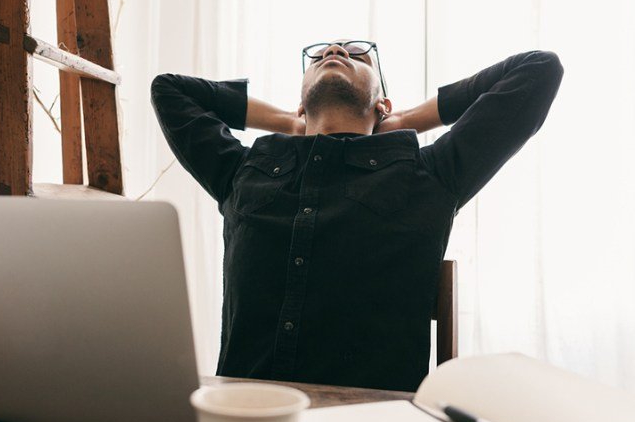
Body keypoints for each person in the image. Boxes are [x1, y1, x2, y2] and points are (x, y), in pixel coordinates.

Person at [150, 43, 563, 392]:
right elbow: (168, 90)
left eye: (357, 55)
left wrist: (406, 121)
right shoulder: (243, 170)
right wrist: (289, 123)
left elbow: (539, 70)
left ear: (383, 104)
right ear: (301, 100)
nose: (333, 51)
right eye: (322, 54)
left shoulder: (430, 174)